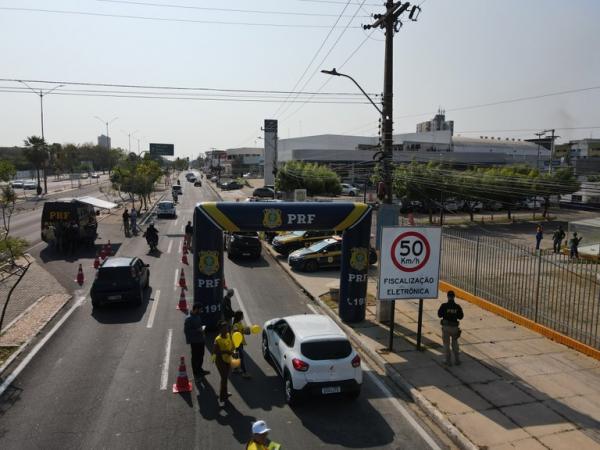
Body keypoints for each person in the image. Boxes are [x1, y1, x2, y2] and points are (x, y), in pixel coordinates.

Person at [437, 291, 464, 366]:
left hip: (446, 328)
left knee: (446, 344)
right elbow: (461, 317)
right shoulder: (457, 307)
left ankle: (448, 361)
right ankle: (457, 360)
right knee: (455, 344)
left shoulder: (444, 306)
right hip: (455, 328)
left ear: (448, 296)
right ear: (454, 297)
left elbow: (439, 315)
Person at [184, 304, 210, 378]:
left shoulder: (197, 316)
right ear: (196, 309)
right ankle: (196, 373)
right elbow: (187, 331)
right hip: (195, 341)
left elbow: (199, 325)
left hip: (200, 340)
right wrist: (197, 330)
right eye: (200, 310)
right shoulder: (188, 319)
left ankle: (200, 369)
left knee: (201, 355)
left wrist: (202, 331)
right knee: (195, 357)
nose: (201, 311)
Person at [213, 320, 233, 403]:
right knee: (224, 377)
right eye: (224, 329)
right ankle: (222, 397)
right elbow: (215, 352)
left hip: (228, 359)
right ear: (220, 330)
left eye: (227, 328)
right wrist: (226, 352)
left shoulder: (228, 335)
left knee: (225, 377)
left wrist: (232, 351)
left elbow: (231, 344)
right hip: (220, 360)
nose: (226, 330)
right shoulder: (217, 339)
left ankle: (225, 393)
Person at [232, 310, 251, 379]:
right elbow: (236, 331)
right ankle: (244, 372)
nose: (243, 316)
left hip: (240, 342)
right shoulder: (235, 325)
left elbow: (241, 330)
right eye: (242, 315)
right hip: (237, 343)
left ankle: (235, 369)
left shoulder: (239, 323)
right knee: (241, 357)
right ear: (239, 316)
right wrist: (244, 331)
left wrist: (246, 330)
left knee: (236, 355)